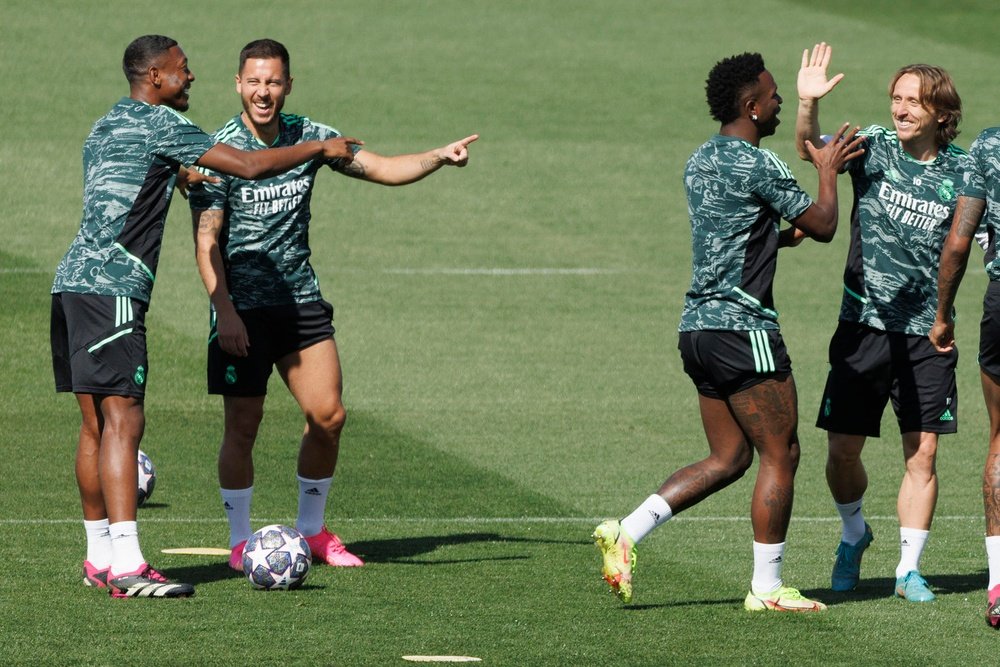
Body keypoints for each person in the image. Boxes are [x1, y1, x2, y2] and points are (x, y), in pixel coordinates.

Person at [51, 34, 359, 599]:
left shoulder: (106, 124)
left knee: (95, 425)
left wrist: (180, 176)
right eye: (182, 70)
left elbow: (126, 182)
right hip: (115, 288)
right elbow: (247, 164)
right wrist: (319, 149)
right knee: (124, 423)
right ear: (155, 79)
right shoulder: (164, 124)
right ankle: (128, 566)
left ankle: (99, 556)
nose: (190, 78)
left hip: (70, 287)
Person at [188, 39, 477, 571]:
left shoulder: (313, 137)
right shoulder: (218, 152)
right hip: (242, 312)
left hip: (300, 302)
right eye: (253, 81)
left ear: (288, 85)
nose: (263, 92)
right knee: (243, 426)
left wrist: (439, 156)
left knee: (328, 416)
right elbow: (206, 241)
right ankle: (238, 541)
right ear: (237, 84)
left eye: (273, 82)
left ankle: (313, 532)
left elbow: (385, 168)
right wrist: (223, 310)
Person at [592, 52, 862, 611]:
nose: (779, 100)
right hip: (744, 330)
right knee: (781, 452)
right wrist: (828, 171)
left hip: (698, 330)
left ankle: (627, 531)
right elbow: (826, 225)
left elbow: (734, 228)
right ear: (752, 106)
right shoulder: (758, 166)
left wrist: (776, 239)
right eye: (772, 93)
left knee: (729, 458)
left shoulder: (700, 159)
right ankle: (766, 590)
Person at [796, 42, 974, 602]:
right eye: (896, 98)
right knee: (842, 452)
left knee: (922, 453)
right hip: (862, 328)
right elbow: (811, 150)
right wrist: (807, 104)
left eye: (912, 102)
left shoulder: (965, 172)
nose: (899, 109)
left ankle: (907, 570)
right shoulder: (871, 147)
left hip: (927, 334)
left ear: (941, 114)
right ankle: (854, 535)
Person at [930, 128, 1000, 626]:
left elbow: (959, 241)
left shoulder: (991, 146)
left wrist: (942, 313)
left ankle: (998, 584)